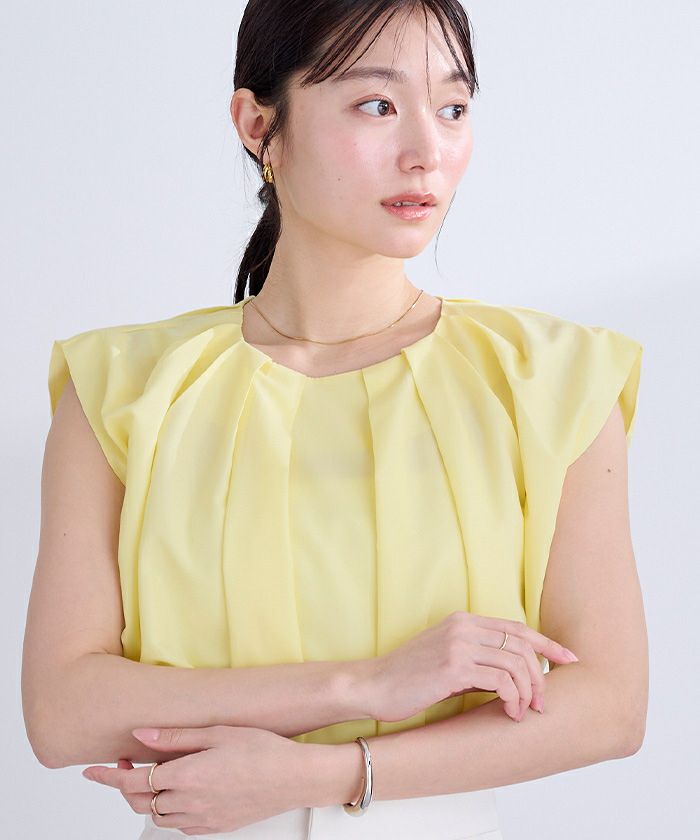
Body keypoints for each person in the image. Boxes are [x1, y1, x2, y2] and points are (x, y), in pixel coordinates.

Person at [23, 1, 648, 838]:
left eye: (453, 108)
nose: (427, 151)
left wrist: (325, 773)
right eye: (377, 105)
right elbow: (62, 711)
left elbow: (610, 704)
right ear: (259, 125)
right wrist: (367, 685)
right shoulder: (120, 387)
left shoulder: (551, 380)